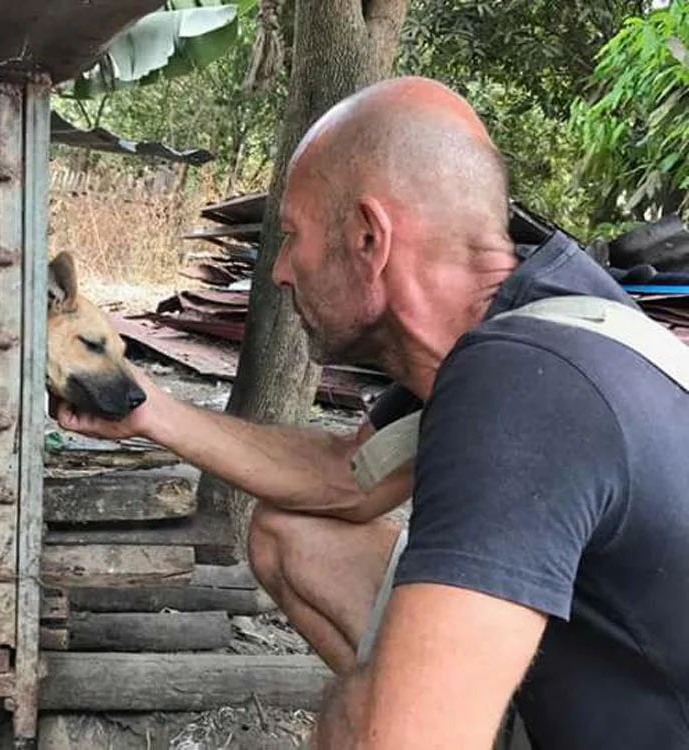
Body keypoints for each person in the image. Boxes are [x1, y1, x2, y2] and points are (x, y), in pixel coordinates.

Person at [53, 75, 689, 749]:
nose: (279, 272)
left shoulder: (523, 391)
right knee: (293, 534)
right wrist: (149, 413)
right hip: (605, 682)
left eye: (293, 235)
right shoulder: (528, 321)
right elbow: (347, 478)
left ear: (367, 238)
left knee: (361, 718)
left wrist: (372, 716)